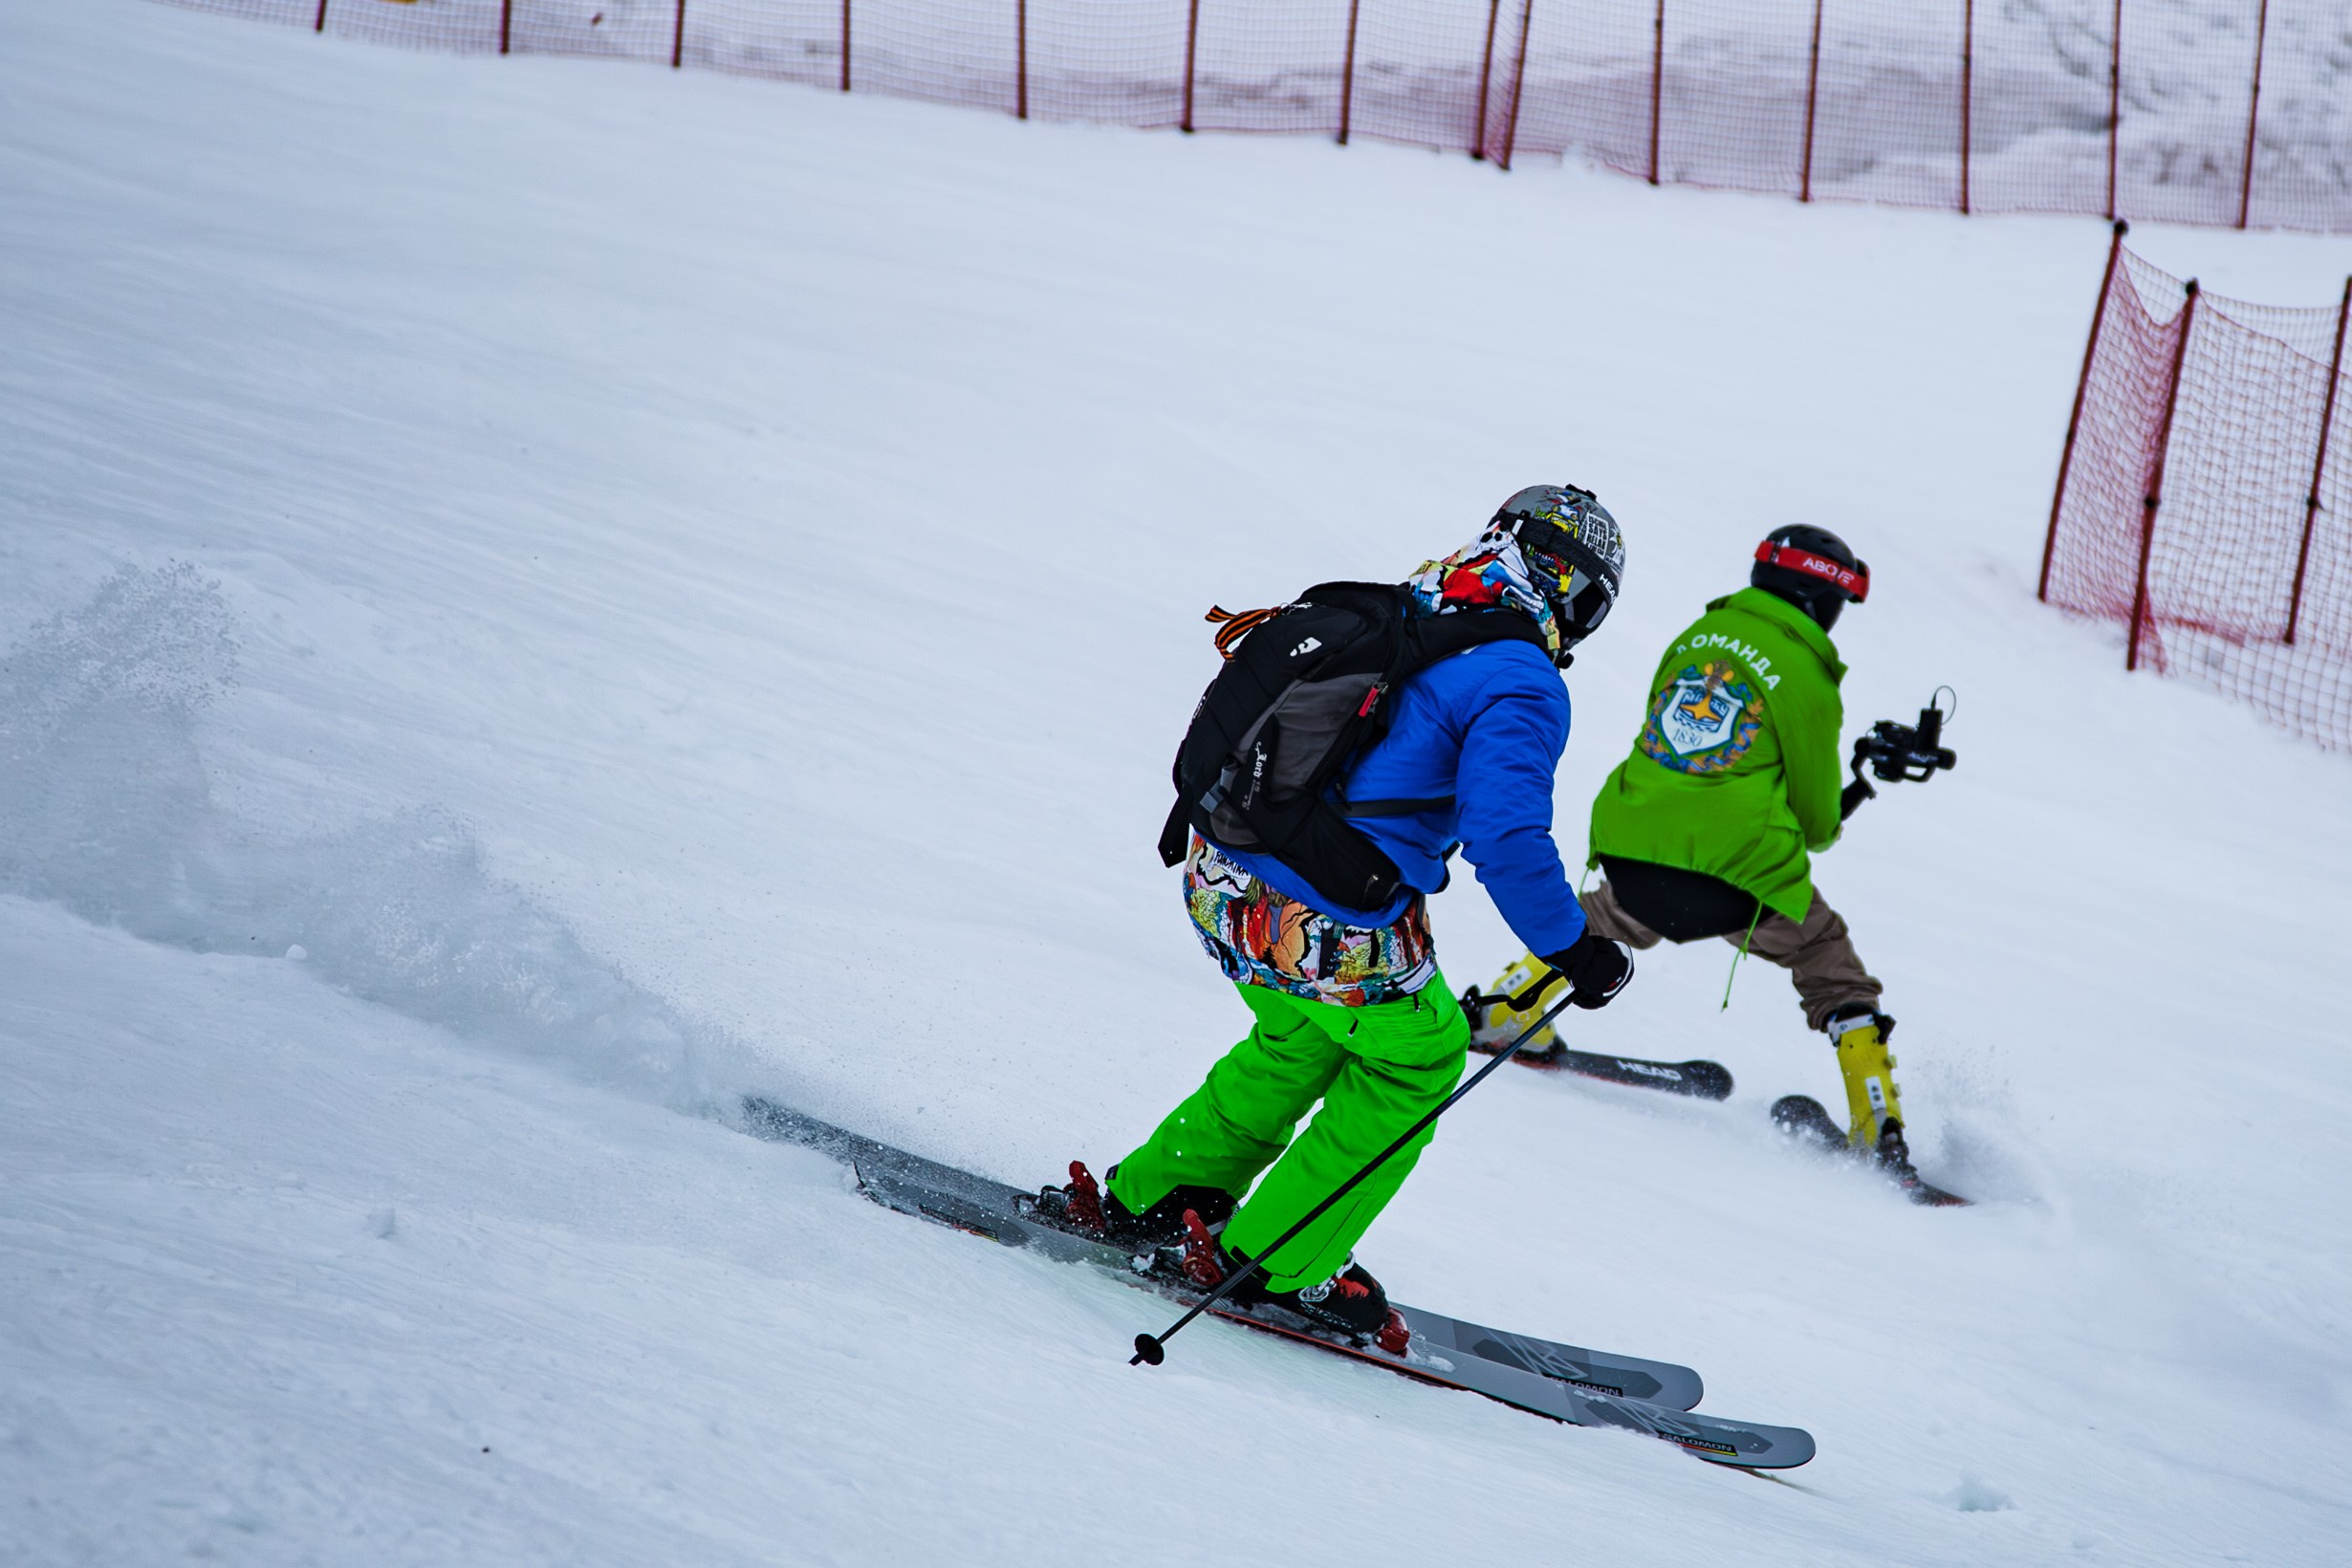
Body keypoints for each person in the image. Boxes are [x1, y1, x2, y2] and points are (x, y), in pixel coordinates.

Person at [1043, 487, 1634, 1338]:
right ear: (1569, 590)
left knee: (1300, 1039)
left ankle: (1159, 1197)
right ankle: (1280, 1261)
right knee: (1419, 1057)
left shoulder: (1417, 605)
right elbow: (1506, 834)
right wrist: (1573, 948)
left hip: (1222, 877)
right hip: (1320, 924)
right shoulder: (1521, 678)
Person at [1476, 525, 1919, 1177]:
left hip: (1632, 845)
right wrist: (1858, 783)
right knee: (1827, 960)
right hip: (1735, 877)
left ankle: (1505, 1009)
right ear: (1822, 598)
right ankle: (1877, 1124)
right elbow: (1816, 824)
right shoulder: (1807, 672)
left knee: (1606, 915)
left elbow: (1683, 757)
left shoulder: (1696, 636)